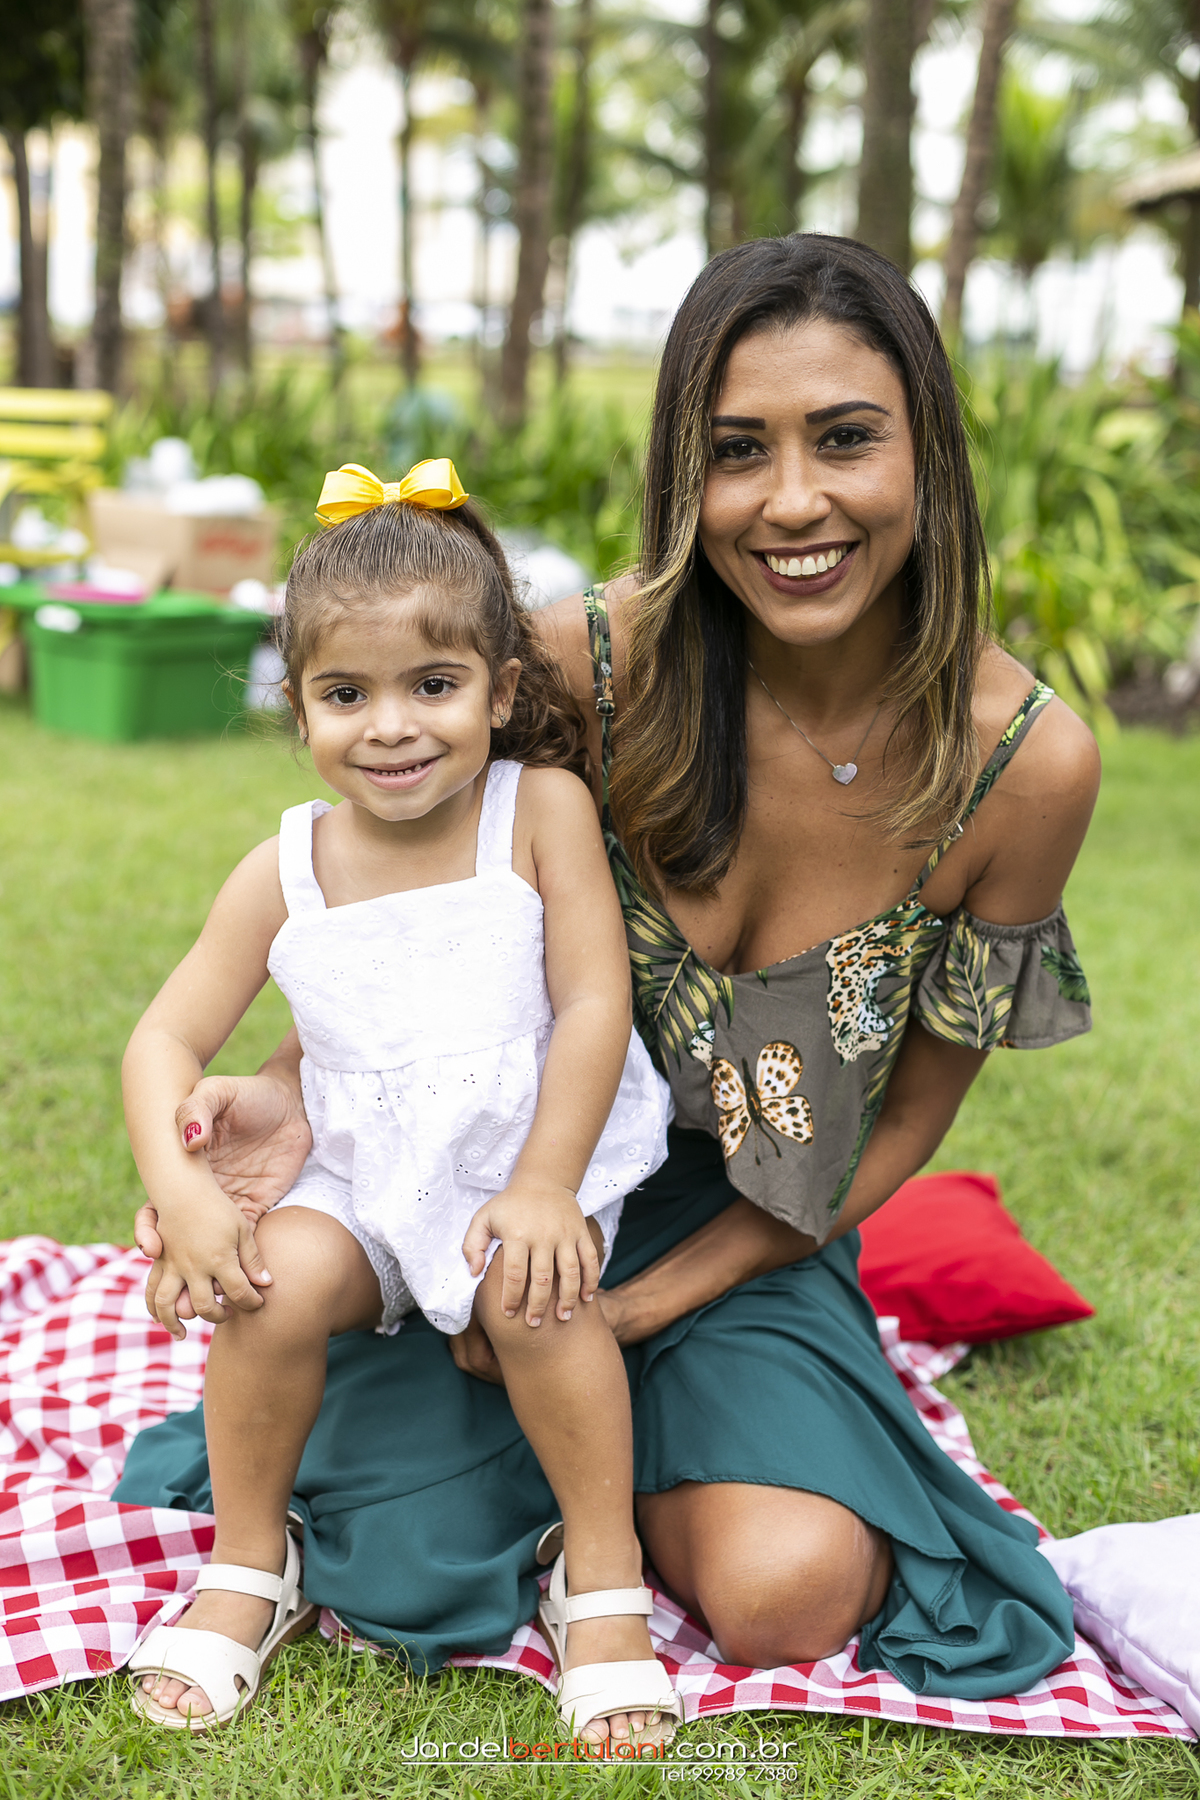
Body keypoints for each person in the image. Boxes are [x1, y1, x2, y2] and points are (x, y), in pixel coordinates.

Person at [119, 234, 1099, 1704]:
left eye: (846, 439)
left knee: (787, 1592)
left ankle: (599, 1468)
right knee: (392, 1540)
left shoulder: (1024, 765)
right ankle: (544, 1470)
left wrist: (640, 1308)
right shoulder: (578, 666)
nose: (793, 501)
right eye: (739, 450)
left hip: (742, 1226)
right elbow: (417, 910)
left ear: (929, 453)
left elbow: (900, 1122)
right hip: (486, 1194)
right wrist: (290, 1091)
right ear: (683, 471)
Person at [120, 459, 680, 1743]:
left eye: (433, 686)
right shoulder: (287, 866)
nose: (391, 727)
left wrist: (545, 1185)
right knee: (267, 1287)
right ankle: (250, 1564)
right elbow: (164, 1037)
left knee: (536, 1297)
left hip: (518, 1158)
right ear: (298, 703)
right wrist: (182, 1191)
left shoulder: (536, 811)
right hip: (362, 1171)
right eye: (346, 694)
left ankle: (600, 1572)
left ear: (500, 688)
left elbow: (595, 1002)